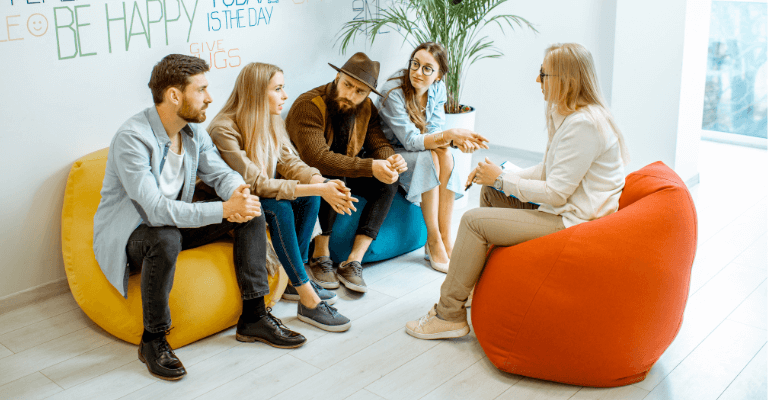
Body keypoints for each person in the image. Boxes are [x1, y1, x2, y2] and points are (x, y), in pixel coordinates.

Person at [93, 54, 306, 381]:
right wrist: (223, 209)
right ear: (174, 95)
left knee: (250, 212)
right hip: (132, 235)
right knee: (165, 237)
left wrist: (239, 193)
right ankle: (153, 338)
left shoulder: (193, 133)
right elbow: (155, 211)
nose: (209, 97)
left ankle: (254, 316)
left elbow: (220, 173)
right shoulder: (132, 138)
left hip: (173, 222)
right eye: (202, 89)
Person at [405, 43, 631, 339]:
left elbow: (555, 193)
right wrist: (497, 177)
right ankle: (473, 288)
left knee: (473, 222)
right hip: (563, 210)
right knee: (491, 194)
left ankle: (449, 314)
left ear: (565, 79)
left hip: (574, 223)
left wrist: (501, 178)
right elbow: (547, 170)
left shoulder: (584, 125)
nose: (538, 81)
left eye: (543, 74)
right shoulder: (566, 114)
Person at [207, 62, 355, 332]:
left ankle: (293, 282)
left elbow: (290, 163)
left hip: (258, 197)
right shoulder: (223, 129)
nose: (285, 95)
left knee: (310, 198)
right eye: (277, 89)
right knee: (279, 207)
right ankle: (308, 300)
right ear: (255, 93)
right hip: (230, 206)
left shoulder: (272, 120)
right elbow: (257, 184)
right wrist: (319, 188)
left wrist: (321, 182)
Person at [285, 52, 407, 294]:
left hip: (346, 168)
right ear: (337, 77)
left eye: (360, 92)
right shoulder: (308, 105)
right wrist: (369, 166)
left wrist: (390, 160)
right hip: (309, 178)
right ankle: (320, 254)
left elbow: (378, 142)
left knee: (389, 182)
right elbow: (316, 158)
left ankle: (354, 260)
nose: (351, 95)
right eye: (347, 85)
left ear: (367, 95)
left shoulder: (365, 108)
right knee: (332, 176)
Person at [376, 42, 489, 272]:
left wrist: (454, 141)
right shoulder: (393, 92)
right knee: (432, 156)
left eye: (427, 68)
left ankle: (445, 236)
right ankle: (434, 239)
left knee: (445, 154)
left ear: (438, 75)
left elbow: (435, 130)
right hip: (393, 152)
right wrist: (449, 136)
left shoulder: (437, 89)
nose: (418, 72)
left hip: (421, 148)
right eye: (415, 64)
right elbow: (409, 140)